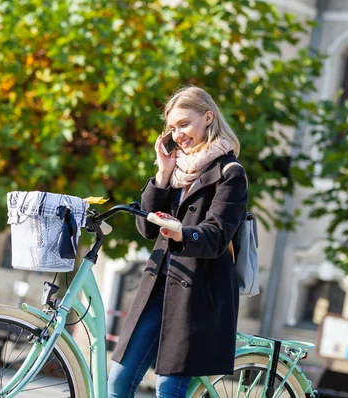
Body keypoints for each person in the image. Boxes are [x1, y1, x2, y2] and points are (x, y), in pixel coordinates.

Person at [108, 86, 248, 397]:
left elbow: (216, 236)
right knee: (117, 383)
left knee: (168, 390)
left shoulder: (230, 174)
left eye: (184, 124)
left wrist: (182, 232)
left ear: (208, 118)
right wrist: (162, 173)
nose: (178, 134)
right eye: (172, 127)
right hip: (157, 287)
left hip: (197, 298)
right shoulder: (177, 171)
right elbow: (145, 228)